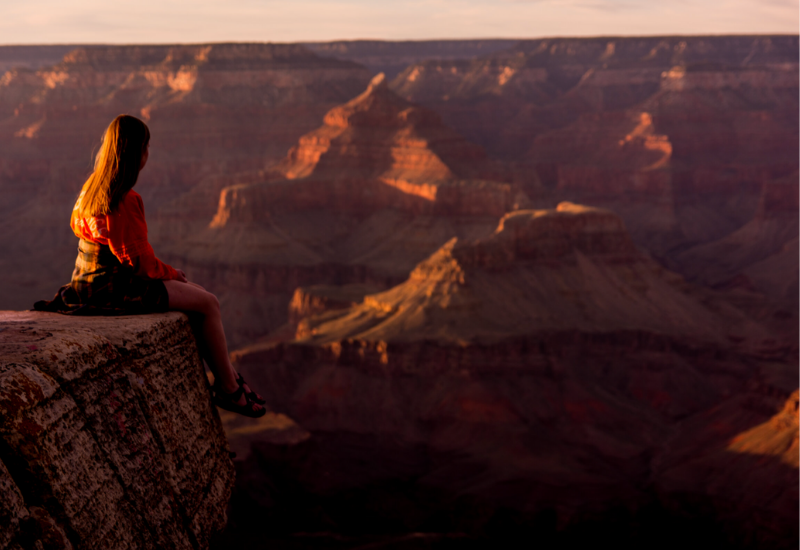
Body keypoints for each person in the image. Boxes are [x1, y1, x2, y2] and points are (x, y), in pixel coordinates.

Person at [35, 114, 265, 418]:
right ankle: (229, 389)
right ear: (138, 153)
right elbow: (140, 264)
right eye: (147, 147)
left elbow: (86, 230)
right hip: (113, 289)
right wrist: (173, 273)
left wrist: (174, 278)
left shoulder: (92, 187)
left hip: (85, 284)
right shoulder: (124, 200)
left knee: (195, 294)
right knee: (208, 303)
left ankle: (230, 377)